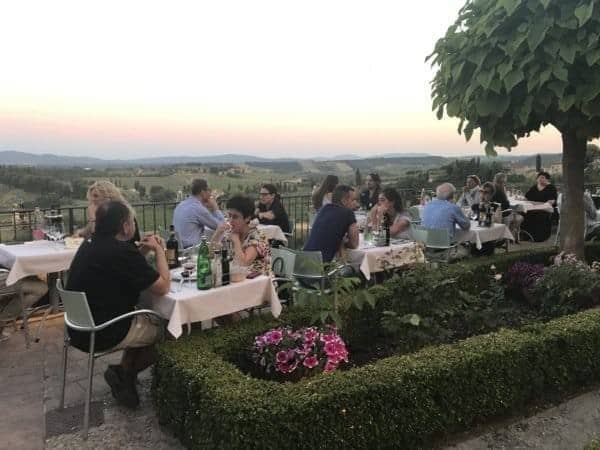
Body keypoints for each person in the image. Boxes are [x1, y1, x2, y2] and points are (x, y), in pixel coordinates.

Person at [67, 201, 170, 409]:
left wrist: (142, 252)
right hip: (104, 331)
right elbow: (163, 287)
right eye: (132, 221)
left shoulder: (91, 243)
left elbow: (122, 268)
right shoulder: (120, 251)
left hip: (78, 328)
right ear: (125, 226)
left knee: (142, 318)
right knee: (172, 330)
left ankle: (123, 374)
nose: (134, 225)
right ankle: (126, 374)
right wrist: (159, 251)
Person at [212, 194, 271, 275]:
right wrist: (217, 234)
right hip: (237, 280)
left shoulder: (257, 236)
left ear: (247, 218)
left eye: (235, 217)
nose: (230, 220)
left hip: (259, 283)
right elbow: (210, 255)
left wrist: (236, 241)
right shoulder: (230, 233)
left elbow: (243, 264)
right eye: (229, 216)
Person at [304, 185, 359, 263]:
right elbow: (354, 244)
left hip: (303, 260)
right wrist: (344, 243)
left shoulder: (324, 209)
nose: (356, 204)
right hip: (321, 267)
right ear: (344, 200)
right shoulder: (348, 213)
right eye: (353, 200)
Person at [172, 179, 224, 248]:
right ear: (202, 192)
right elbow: (221, 226)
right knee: (219, 245)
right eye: (208, 190)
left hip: (177, 247)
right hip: (190, 249)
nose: (210, 194)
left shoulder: (181, 204)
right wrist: (215, 207)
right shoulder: (197, 208)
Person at [0, 275, 48, 341]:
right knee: (41, 287)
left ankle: (4, 317)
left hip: (9, 276)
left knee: (34, 281)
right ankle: (3, 319)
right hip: (5, 278)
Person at [522, 171, 558, 242]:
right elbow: (526, 197)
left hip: (544, 209)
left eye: (542, 178)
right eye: (539, 178)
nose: (540, 179)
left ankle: (539, 238)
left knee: (540, 216)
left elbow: (551, 201)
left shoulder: (551, 188)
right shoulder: (534, 187)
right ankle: (526, 236)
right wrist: (521, 198)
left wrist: (539, 204)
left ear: (547, 179)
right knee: (524, 214)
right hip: (532, 208)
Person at [492, 172, 523, 240]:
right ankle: (509, 235)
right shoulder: (500, 190)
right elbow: (506, 205)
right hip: (502, 214)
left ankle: (510, 234)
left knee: (514, 214)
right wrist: (506, 197)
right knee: (520, 217)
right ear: (503, 181)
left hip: (493, 213)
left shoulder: (492, 187)